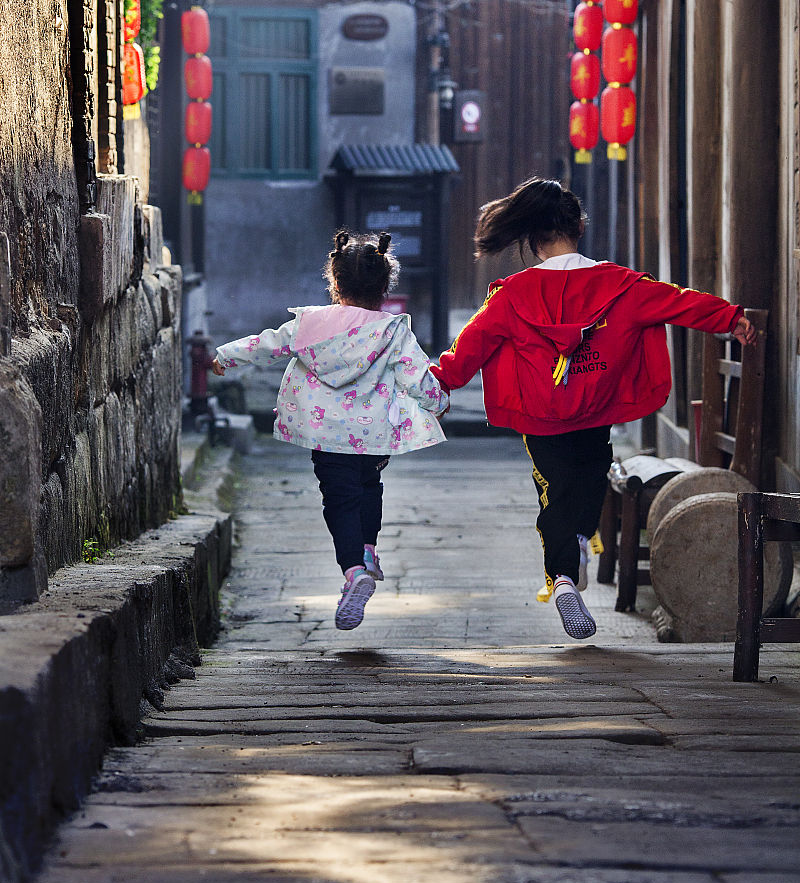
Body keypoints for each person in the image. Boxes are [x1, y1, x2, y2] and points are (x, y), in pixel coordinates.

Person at [429, 177, 756, 642]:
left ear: (533, 239)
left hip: (541, 415)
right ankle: (579, 546)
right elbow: (680, 302)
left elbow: (469, 347)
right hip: (596, 408)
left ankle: (563, 574)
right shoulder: (623, 287)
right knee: (590, 475)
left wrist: (439, 386)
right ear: (579, 226)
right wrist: (731, 318)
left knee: (554, 488)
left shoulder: (510, 297)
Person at [212, 230, 448, 631]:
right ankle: (369, 550)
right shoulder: (393, 332)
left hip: (326, 435)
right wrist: (439, 403)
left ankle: (353, 571)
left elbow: (264, 345)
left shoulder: (310, 324)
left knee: (338, 500)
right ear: (384, 287)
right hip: (373, 435)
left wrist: (223, 359)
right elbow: (416, 378)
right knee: (369, 489)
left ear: (335, 282)